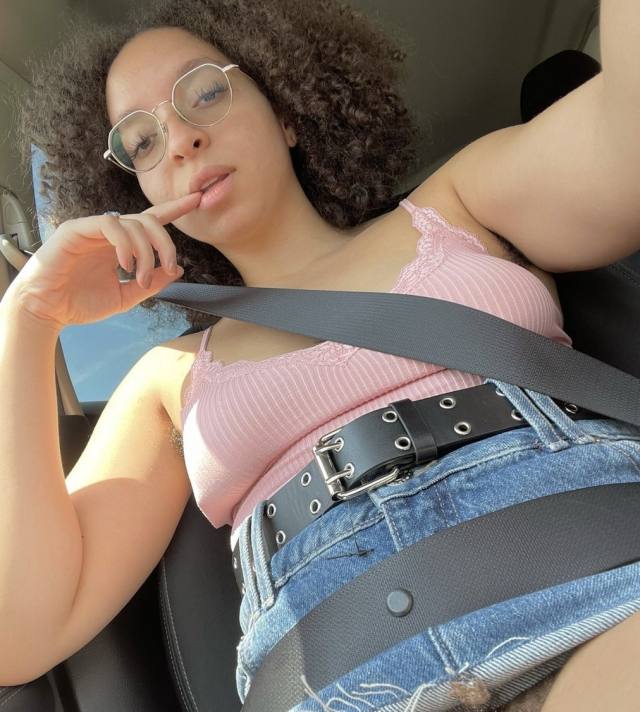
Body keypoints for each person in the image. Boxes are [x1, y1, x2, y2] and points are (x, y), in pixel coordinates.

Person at [2, 0, 640, 709]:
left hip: (604, 582)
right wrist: (29, 317)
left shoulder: (458, 204)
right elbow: (22, 632)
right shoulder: (167, 380)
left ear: (286, 112)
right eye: (142, 141)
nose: (180, 140)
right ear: (137, 192)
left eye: (205, 93)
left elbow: (626, 139)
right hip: (342, 682)